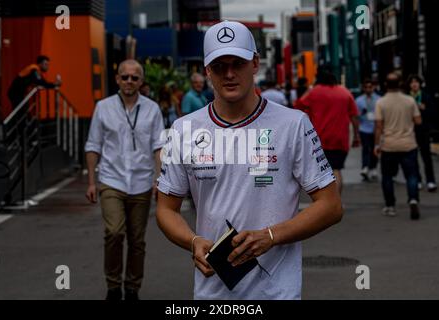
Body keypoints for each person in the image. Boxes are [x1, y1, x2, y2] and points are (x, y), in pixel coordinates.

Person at [156, 20, 342, 300]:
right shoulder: (183, 130)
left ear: (255, 64)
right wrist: (193, 241)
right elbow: (166, 209)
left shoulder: (293, 124)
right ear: (207, 71)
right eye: (219, 66)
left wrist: (270, 235)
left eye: (238, 63)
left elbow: (331, 206)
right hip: (213, 293)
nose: (229, 74)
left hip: (277, 291)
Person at [84, 59, 164, 300]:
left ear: (141, 81)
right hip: (111, 180)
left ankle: (132, 288)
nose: (130, 81)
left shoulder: (152, 109)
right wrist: (91, 181)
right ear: (117, 79)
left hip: (141, 182)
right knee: (114, 232)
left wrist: (158, 179)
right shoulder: (103, 107)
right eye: (125, 77)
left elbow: (159, 146)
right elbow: (93, 145)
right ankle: (112, 286)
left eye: (135, 77)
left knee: (137, 240)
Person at [294, 65, 360, 194]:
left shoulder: (314, 92)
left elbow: (298, 106)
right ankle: (337, 200)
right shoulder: (345, 92)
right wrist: (356, 136)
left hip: (319, 139)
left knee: (321, 171)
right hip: (341, 139)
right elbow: (354, 117)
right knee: (336, 169)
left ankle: (327, 201)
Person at [374, 73, 422, 219]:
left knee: (387, 176)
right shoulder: (409, 101)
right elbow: (418, 121)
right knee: (412, 175)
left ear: (386, 84)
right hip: (408, 144)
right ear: (401, 83)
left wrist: (377, 145)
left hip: (389, 145)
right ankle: (413, 199)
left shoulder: (381, 102)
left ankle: (390, 206)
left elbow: (379, 127)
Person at [406, 74, 437, 192]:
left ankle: (430, 181)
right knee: (413, 158)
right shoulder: (407, 98)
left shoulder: (426, 96)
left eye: (416, 82)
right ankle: (417, 180)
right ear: (409, 85)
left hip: (423, 130)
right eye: (412, 82)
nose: (414, 84)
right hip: (410, 130)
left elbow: (433, 112)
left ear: (420, 84)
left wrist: (424, 109)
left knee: (426, 157)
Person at [355, 79, 380, 180]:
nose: (368, 89)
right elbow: (356, 115)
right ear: (363, 88)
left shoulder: (379, 99)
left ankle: (373, 168)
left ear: (373, 87)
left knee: (375, 148)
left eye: (370, 87)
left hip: (375, 128)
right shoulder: (359, 100)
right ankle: (365, 167)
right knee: (365, 148)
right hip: (364, 128)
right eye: (366, 87)